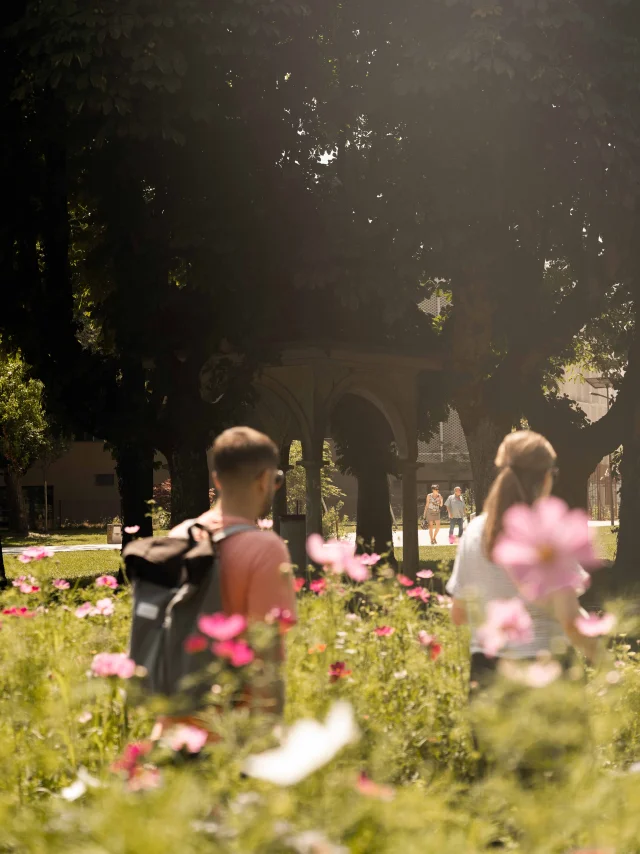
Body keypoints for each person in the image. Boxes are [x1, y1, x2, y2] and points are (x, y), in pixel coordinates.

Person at [153, 426, 297, 741]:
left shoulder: (178, 537)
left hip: (174, 731)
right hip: (232, 736)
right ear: (265, 480)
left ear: (216, 480)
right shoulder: (267, 548)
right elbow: (267, 652)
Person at [446, 431, 599, 694]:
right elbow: (570, 622)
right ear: (546, 477)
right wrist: (609, 665)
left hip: (486, 675)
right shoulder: (547, 533)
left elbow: (458, 615)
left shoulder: (473, 531)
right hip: (547, 671)